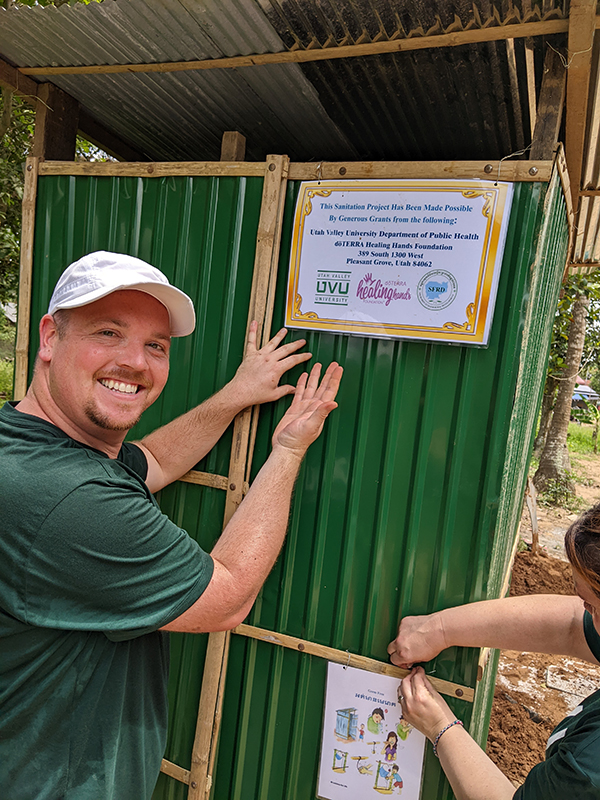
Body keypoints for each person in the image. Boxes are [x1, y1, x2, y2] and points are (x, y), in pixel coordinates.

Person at [0, 251, 343, 800]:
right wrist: (287, 449)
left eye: (155, 346)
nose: (135, 361)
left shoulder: (23, 443)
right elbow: (227, 597)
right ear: (48, 337)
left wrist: (235, 396)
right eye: (108, 332)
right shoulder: (68, 499)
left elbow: (149, 463)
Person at [387, 503, 600, 800]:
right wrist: (439, 629)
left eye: (590, 603)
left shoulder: (590, 767)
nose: (585, 611)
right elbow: (571, 626)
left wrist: (440, 726)